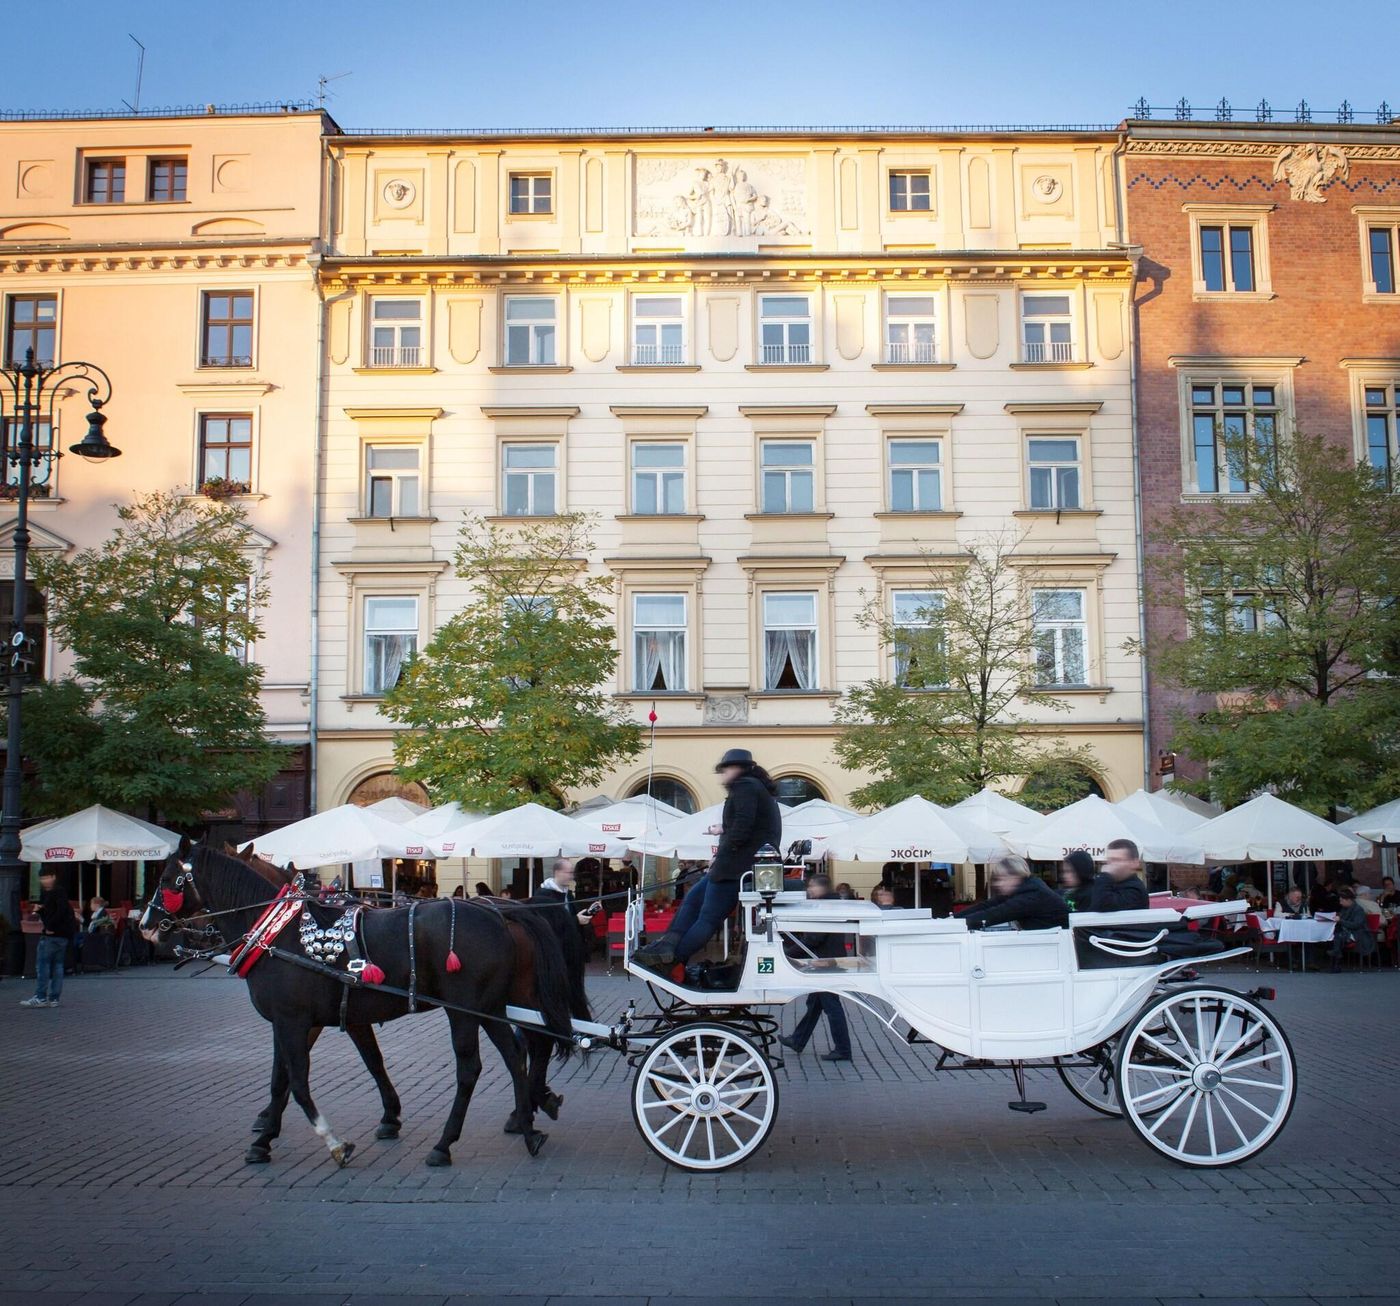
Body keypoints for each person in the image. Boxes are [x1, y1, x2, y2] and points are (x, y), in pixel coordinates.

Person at [632, 748, 782, 970]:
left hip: (735, 869)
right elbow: (748, 825)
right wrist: (721, 829)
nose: (723, 775)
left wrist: (720, 856)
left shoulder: (745, 786)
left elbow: (742, 827)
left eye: (726, 769)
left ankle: (673, 960)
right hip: (734, 866)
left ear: (739, 769)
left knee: (707, 918)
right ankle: (666, 947)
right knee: (692, 900)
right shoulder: (753, 788)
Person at [779, 875, 852, 1062]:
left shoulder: (826, 906)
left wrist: (788, 953)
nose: (809, 890)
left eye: (812, 886)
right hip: (826, 960)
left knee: (831, 1006)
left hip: (825, 962)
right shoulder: (830, 903)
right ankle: (797, 1040)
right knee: (815, 1004)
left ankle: (843, 1049)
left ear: (822, 888)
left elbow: (814, 938)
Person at [528, 857, 594, 1009]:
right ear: (557, 872)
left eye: (572, 872)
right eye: (568, 872)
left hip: (569, 951)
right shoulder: (543, 896)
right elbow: (546, 925)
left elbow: (570, 915)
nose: (571, 876)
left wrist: (584, 915)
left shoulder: (567, 894)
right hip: (554, 952)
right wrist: (575, 920)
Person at [957, 856, 1068, 931]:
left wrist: (954, 926)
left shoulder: (1031, 896)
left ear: (1016, 877)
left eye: (1002, 879)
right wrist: (953, 920)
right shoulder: (1026, 889)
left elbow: (994, 915)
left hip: (1052, 949)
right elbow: (987, 905)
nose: (998, 884)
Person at [21, 869, 76, 1008]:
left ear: (53, 877)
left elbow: (59, 912)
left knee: (43, 965)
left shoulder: (54, 893)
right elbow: (62, 911)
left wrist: (50, 926)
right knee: (58, 966)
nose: (44, 881)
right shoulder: (59, 893)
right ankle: (54, 998)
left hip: (52, 935)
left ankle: (41, 997)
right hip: (63, 936)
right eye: (42, 878)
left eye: (46, 877)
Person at [1089, 839, 1150, 913]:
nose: (1111, 864)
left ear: (1134, 863)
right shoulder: (1111, 883)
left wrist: (1105, 876)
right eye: (1109, 860)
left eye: (1117, 860)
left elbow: (1102, 906)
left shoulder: (1135, 890)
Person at [1330, 888, 1377, 972]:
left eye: (1341, 900)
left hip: (1359, 933)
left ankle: (1336, 960)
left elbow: (1356, 925)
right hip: (1348, 932)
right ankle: (1336, 959)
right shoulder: (1344, 909)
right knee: (1334, 935)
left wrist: (1340, 920)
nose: (1340, 903)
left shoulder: (1358, 910)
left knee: (1338, 936)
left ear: (1348, 900)